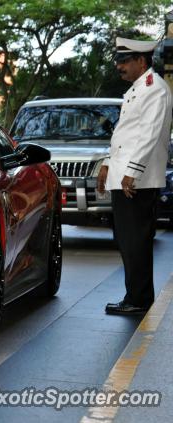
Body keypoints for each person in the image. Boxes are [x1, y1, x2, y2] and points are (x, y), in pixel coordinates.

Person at [97, 37, 173, 315]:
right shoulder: (136, 90)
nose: (120, 67)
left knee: (135, 241)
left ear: (142, 61)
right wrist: (107, 164)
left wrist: (133, 172)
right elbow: (124, 135)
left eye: (125, 61)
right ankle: (135, 296)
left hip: (137, 180)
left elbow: (149, 134)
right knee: (126, 239)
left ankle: (139, 300)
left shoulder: (155, 89)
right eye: (119, 61)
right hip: (126, 176)